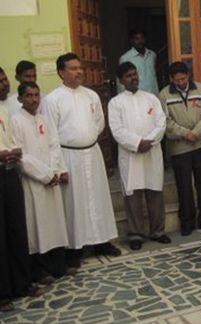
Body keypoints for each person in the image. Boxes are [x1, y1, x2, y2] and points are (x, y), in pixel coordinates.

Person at [41, 53, 121, 268]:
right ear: (61, 72)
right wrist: (59, 166)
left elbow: (99, 122)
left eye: (80, 68)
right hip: (69, 156)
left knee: (98, 198)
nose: (79, 72)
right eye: (73, 68)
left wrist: (88, 137)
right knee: (73, 202)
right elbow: (51, 135)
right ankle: (75, 248)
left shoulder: (91, 95)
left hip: (91, 153)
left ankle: (102, 242)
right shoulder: (52, 99)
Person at [10, 82, 71, 285]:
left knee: (54, 224)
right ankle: (38, 269)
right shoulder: (15, 122)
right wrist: (45, 175)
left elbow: (54, 145)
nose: (34, 99)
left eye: (36, 95)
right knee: (36, 227)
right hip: (33, 182)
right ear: (20, 98)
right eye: (29, 95)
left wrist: (57, 171)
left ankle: (58, 266)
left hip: (51, 181)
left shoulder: (44, 119)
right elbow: (20, 156)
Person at [109, 62, 170, 251]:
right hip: (131, 155)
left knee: (154, 191)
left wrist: (149, 141)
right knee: (133, 194)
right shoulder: (115, 103)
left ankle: (158, 231)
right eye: (128, 75)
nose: (133, 78)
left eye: (134, 74)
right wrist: (137, 143)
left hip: (151, 151)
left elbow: (161, 122)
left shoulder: (151, 98)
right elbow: (117, 130)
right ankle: (135, 233)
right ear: (121, 80)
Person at [0, 68, 41, 312]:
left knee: (16, 229)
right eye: (0, 81)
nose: (4, 84)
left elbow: (10, 140)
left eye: (4, 80)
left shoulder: (5, 111)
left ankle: (22, 283)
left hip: (9, 174)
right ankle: (3, 292)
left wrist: (13, 151)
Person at [159, 62, 201, 236]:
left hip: (200, 145)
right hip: (179, 148)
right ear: (171, 79)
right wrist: (184, 133)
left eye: (183, 78)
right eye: (177, 80)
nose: (181, 82)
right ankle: (187, 223)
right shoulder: (164, 95)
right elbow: (165, 121)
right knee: (184, 187)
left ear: (188, 75)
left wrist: (197, 131)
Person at [119, 29, 159, 96]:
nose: (140, 41)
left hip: (153, 95)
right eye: (137, 39)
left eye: (142, 38)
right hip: (136, 96)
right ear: (131, 41)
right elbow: (121, 83)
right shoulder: (125, 58)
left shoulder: (152, 55)